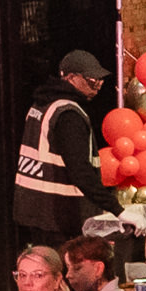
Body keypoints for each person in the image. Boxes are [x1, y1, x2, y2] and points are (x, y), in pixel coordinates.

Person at [13, 47, 113, 247]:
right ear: (71, 78)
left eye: (101, 79)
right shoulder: (68, 113)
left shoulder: (41, 105)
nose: (99, 84)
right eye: (92, 79)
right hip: (59, 215)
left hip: (34, 209)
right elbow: (80, 171)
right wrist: (116, 209)